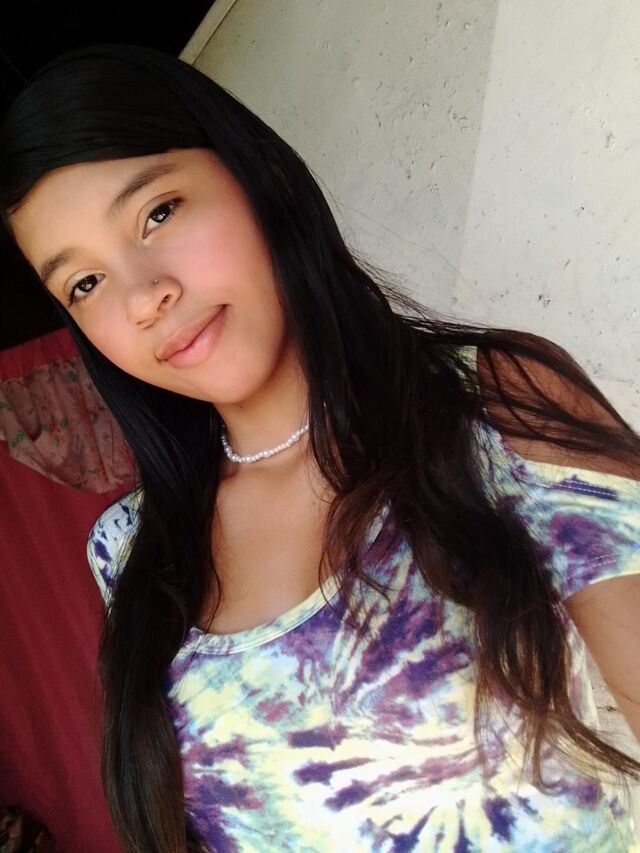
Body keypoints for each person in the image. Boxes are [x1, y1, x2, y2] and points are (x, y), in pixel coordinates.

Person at [0, 42, 638, 853]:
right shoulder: (129, 551)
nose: (143, 297)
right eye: (84, 283)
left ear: (258, 173)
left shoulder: (489, 403)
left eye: (158, 212)